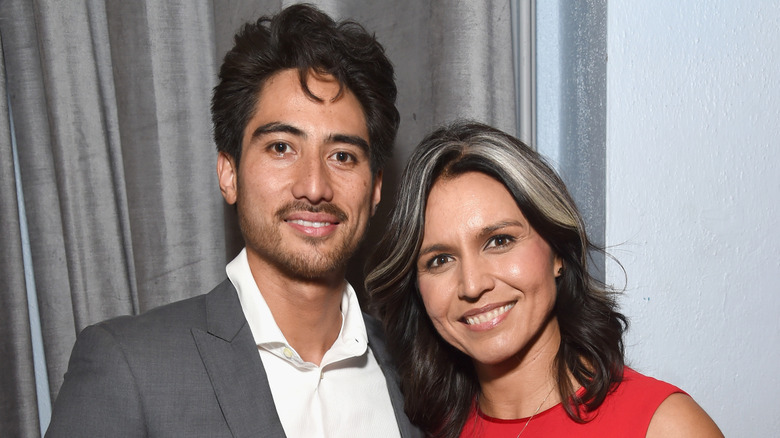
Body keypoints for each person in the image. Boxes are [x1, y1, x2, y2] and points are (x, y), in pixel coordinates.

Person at [47, 4, 421, 437]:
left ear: (374, 189)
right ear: (229, 174)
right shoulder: (130, 368)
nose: (314, 186)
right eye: (281, 148)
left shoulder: (416, 369)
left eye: (342, 156)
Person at [366, 121, 723, 438]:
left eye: (499, 241)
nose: (473, 285)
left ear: (557, 252)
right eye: (440, 260)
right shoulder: (419, 430)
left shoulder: (664, 427)